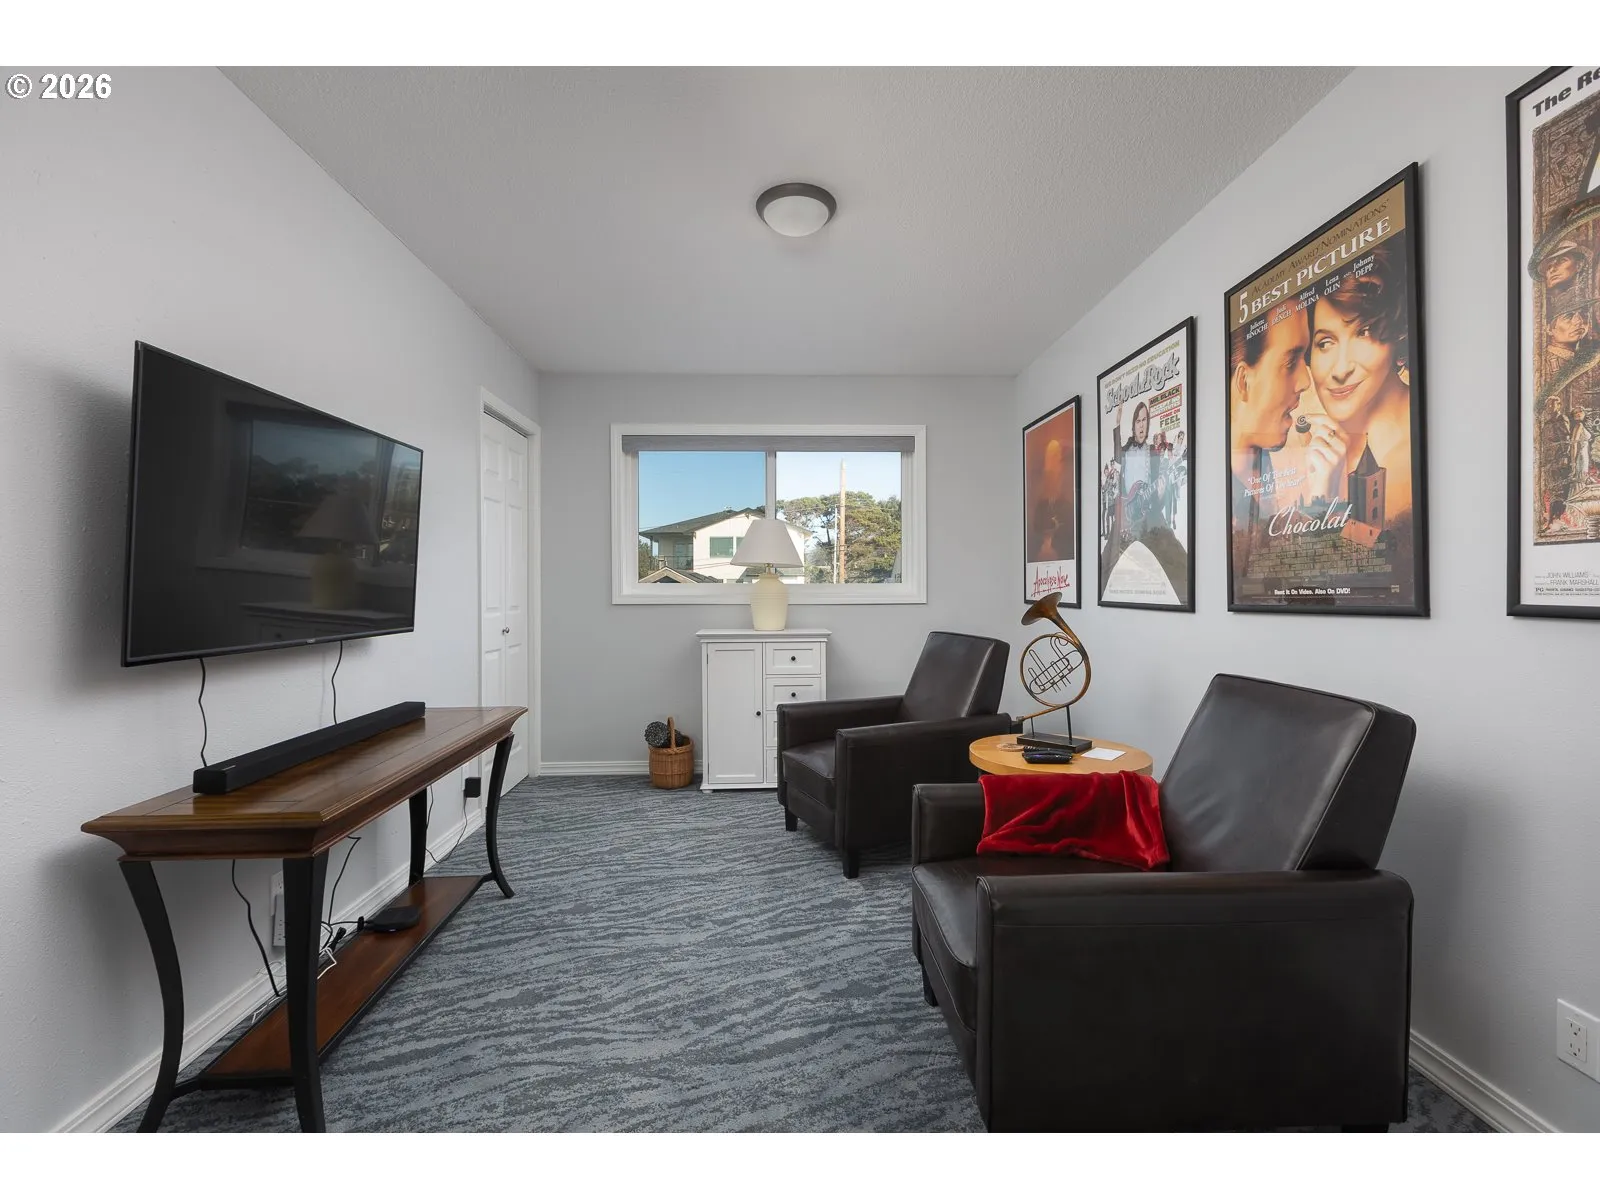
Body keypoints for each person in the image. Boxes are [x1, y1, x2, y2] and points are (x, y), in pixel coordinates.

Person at [1296, 242, 1413, 516]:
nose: (1340, 369)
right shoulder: (1307, 457)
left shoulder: (1418, 445)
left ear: (1397, 334)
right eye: (1325, 343)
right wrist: (1321, 494)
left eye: (1363, 332)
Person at [1229, 297, 1314, 533]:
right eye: (1290, 362)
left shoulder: (1275, 465)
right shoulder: (1219, 489)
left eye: (1304, 358)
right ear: (1244, 381)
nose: (1305, 381)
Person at [1029, 435, 1074, 563]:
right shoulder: (1041, 506)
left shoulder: (1068, 507)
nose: (1053, 471)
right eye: (1049, 463)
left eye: (1056, 461)